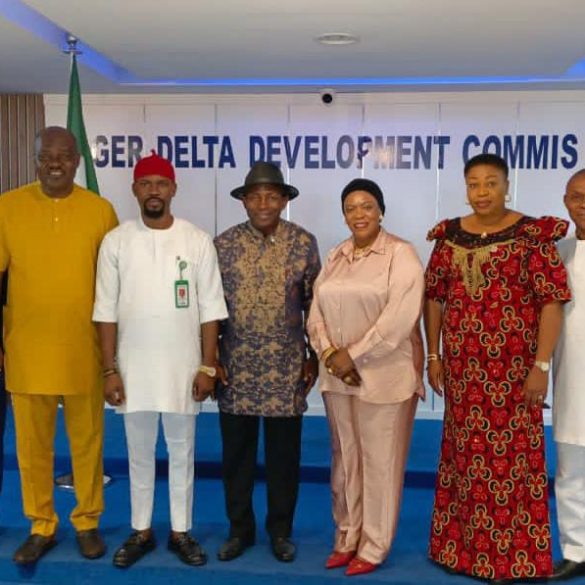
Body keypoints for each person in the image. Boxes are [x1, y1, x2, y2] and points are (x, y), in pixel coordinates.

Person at [424, 153, 570, 584]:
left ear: (507, 185)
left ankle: (511, 559)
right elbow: (434, 297)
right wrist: (435, 355)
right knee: (464, 460)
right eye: (474, 184)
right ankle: (460, 551)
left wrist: (541, 365)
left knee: (512, 466)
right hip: (464, 374)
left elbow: (551, 302)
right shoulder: (448, 236)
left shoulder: (532, 235)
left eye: (491, 183)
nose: (482, 192)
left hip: (514, 376)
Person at [93, 151, 228, 568]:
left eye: (161, 183)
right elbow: (105, 311)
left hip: (183, 369)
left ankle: (181, 531)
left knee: (182, 451)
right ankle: (141, 530)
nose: (154, 190)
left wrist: (207, 366)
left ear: (174, 189)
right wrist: (110, 369)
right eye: (146, 183)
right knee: (138, 452)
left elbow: (210, 309)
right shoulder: (116, 241)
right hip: (132, 370)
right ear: (135, 190)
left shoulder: (196, 239)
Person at [0, 126, 118, 564]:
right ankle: (40, 524)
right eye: (47, 155)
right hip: (27, 351)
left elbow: (112, 286)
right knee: (31, 447)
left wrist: (111, 356)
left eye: (65, 155)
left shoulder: (100, 211)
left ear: (77, 160)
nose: (55, 162)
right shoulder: (7, 207)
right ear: (35, 160)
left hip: (83, 351)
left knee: (88, 441)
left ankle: (87, 521)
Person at [307, 178, 425, 577]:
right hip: (338, 379)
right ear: (344, 215)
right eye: (351, 208)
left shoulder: (401, 255)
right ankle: (347, 536)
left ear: (381, 211)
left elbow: (398, 320)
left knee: (380, 464)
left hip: (385, 377)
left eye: (367, 206)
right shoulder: (337, 255)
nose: (359, 214)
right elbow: (315, 313)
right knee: (345, 461)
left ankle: (374, 546)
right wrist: (328, 354)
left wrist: (352, 355)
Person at [214, 162, 321, 563]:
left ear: (283, 200)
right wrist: (209, 361)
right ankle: (239, 530)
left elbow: (315, 306)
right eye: (254, 196)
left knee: (283, 459)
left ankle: (280, 531)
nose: (263, 203)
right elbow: (209, 309)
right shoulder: (222, 245)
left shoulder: (303, 243)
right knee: (236, 459)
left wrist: (313, 356)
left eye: (271, 196)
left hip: (286, 368)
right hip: (236, 368)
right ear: (243, 201)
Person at [551, 169, 585, 580]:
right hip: (570, 377)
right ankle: (577, 548)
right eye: (576, 196)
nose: (583, 203)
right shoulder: (556, 253)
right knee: (571, 467)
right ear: (565, 201)